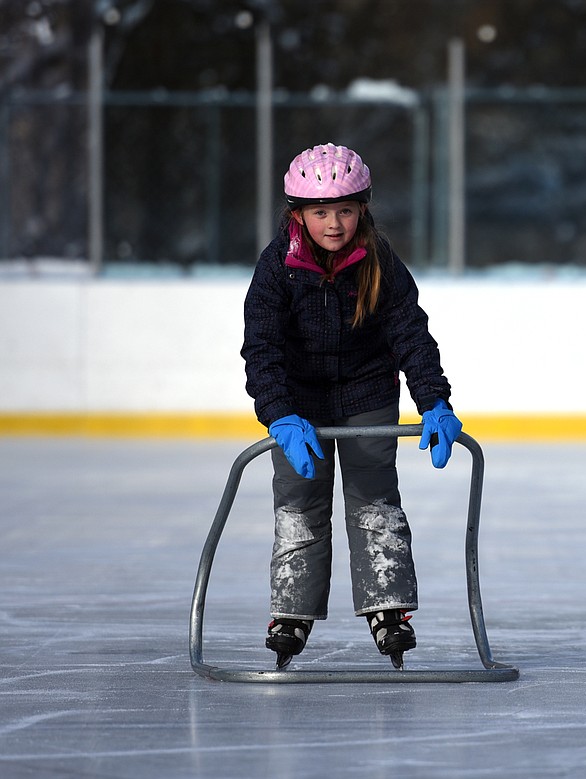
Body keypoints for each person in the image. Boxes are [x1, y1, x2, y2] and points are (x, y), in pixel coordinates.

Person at [241, 143, 462, 669]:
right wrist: (279, 413)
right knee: (300, 504)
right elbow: (262, 346)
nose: (333, 223)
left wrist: (434, 400)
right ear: (298, 214)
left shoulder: (380, 260)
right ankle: (291, 612)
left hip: (366, 395)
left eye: (344, 210)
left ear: (362, 209)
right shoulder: (277, 267)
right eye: (320, 212)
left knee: (374, 501)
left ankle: (389, 610)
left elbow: (411, 333)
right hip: (300, 405)